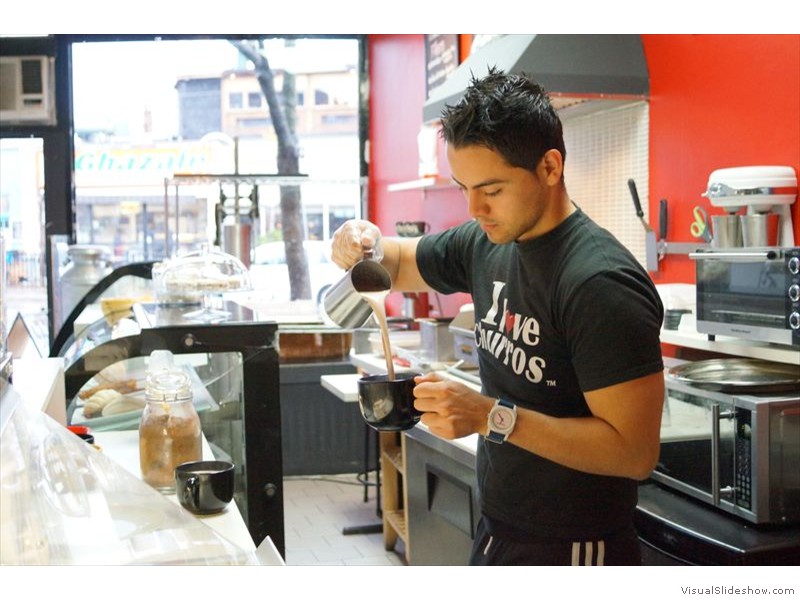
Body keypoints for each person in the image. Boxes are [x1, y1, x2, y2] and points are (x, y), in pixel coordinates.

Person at [331, 67, 665, 566]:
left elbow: (634, 453)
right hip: (502, 527)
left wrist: (490, 415)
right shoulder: (485, 242)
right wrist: (361, 240)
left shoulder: (597, 283)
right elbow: (394, 262)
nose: (474, 207)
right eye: (463, 186)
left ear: (550, 168)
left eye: (491, 188)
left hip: (575, 547)